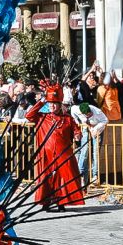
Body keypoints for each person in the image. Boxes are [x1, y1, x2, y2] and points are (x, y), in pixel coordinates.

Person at [25, 82, 85, 210]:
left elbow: (76, 130)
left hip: (63, 154)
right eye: (50, 103)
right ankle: (45, 203)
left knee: (63, 178)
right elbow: (28, 115)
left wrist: (78, 135)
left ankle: (61, 202)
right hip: (46, 154)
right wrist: (42, 101)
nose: (52, 106)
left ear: (59, 104)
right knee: (45, 178)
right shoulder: (42, 117)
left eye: (54, 103)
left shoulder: (67, 119)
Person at [70, 99, 108, 188]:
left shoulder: (97, 112)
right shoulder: (76, 109)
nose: (89, 115)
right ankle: (80, 174)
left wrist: (95, 129)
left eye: (89, 113)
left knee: (95, 152)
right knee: (84, 150)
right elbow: (72, 110)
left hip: (97, 129)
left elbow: (105, 120)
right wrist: (77, 121)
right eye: (86, 114)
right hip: (86, 127)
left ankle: (95, 176)